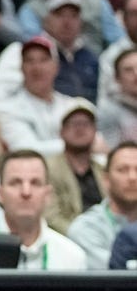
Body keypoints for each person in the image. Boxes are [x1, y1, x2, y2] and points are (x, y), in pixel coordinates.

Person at [0, 148, 86, 270]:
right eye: (15, 182)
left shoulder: (72, 257)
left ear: (48, 195)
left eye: (35, 183)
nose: (26, 192)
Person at [67, 141, 137, 269]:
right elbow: (117, 273)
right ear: (106, 179)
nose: (132, 177)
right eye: (122, 170)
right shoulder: (84, 229)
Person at [43, 100, 105, 234]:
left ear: (95, 132)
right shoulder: (47, 169)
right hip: (66, 239)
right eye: (74, 123)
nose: (80, 128)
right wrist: (81, 236)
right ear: (61, 132)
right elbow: (50, 216)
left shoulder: (103, 170)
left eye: (86, 124)